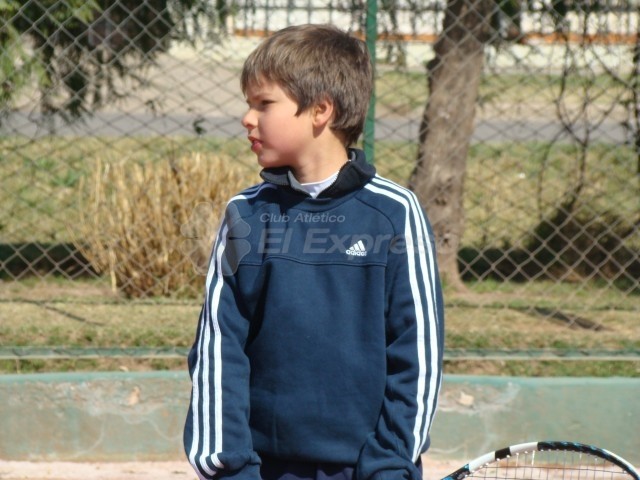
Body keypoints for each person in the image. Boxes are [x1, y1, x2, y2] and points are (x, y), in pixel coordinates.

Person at [183, 24, 444, 480]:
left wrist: (388, 466)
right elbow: (217, 347)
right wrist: (230, 468)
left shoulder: (395, 213)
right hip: (261, 469)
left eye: (264, 104)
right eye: (249, 104)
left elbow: (417, 354)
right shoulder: (246, 214)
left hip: (365, 470)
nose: (247, 118)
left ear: (321, 110)